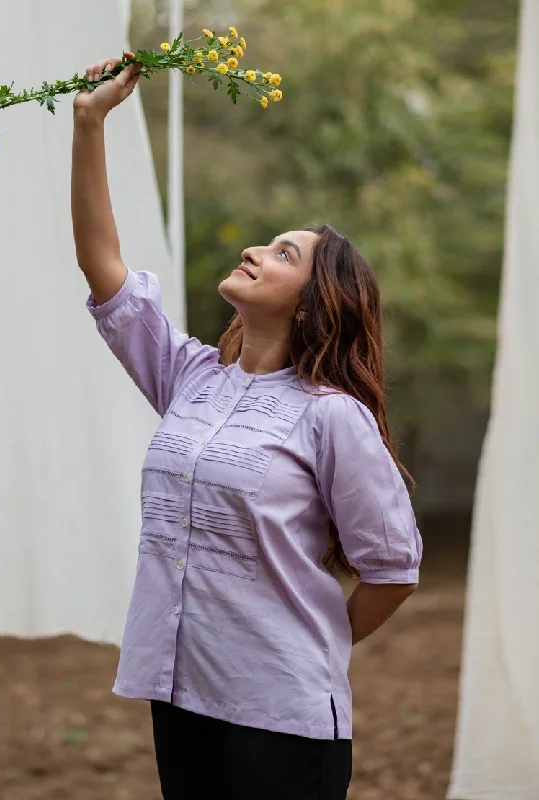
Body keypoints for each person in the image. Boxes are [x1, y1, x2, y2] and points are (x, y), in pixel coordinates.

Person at [72, 55, 422, 800]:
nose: (254, 251)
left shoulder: (332, 416)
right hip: (181, 693)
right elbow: (103, 265)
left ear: (311, 303)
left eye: (282, 252)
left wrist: (303, 640)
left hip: (282, 715)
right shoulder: (190, 378)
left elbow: (390, 568)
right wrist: (90, 122)